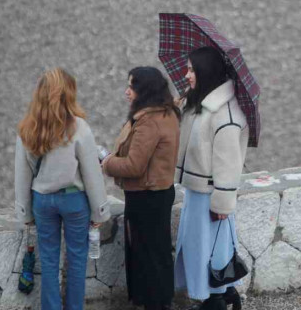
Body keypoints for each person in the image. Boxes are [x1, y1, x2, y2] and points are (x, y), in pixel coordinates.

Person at [14, 67, 111, 310]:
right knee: (77, 261)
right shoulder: (79, 127)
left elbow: (22, 175)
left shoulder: (27, 128)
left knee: (48, 262)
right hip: (74, 200)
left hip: (42, 200)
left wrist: (24, 213)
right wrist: (99, 212)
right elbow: (92, 175)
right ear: (68, 94)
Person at [174, 47, 249, 310]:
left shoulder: (225, 115)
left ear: (205, 72)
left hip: (210, 199)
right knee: (202, 251)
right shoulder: (202, 106)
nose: (186, 75)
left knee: (210, 253)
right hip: (198, 194)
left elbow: (228, 165)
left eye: (192, 69)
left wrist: (222, 206)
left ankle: (215, 299)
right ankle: (218, 296)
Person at [102, 66, 180, 310]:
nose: (127, 92)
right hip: (158, 193)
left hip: (146, 197)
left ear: (144, 90)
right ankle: (160, 302)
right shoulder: (167, 113)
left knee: (148, 256)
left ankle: (154, 304)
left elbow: (135, 166)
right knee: (157, 254)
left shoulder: (149, 122)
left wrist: (107, 163)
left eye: (132, 87)